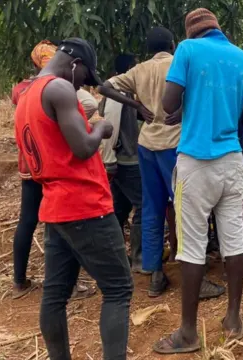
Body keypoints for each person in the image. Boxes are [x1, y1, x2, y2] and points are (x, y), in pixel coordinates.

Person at [14, 38, 132, 360]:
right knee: (119, 289)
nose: (85, 86)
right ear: (75, 63)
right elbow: (82, 147)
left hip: (54, 205)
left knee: (54, 296)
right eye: (85, 78)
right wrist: (102, 128)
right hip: (84, 204)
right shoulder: (59, 89)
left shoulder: (26, 96)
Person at [152, 8, 243, 354]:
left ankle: (187, 332)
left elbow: (169, 101)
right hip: (232, 159)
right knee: (234, 239)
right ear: (217, 28)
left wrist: (189, 104)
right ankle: (233, 318)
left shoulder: (186, 50)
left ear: (192, 31)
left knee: (192, 244)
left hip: (196, 162)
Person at [11, 40, 97, 301]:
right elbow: (89, 109)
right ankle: (66, 283)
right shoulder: (57, 89)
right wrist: (98, 129)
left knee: (30, 220)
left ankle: (19, 280)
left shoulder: (22, 91)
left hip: (31, 165)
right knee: (63, 224)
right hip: (55, 165)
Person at [98, 27, 179, 298]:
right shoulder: (180, 63)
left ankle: (155, 273)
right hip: (174, 144)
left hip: (147, 145)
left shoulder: (138, 70)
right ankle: (190, 268)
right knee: (183, 206)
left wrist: (136, 106)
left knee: (152, 208)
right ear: (172, 44)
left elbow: (104, 87)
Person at [98, 54, 145, 273]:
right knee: (143, 206)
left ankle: (114, 256)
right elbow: (110, 128)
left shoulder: (123, 92)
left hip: (122, 160)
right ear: (128, 69)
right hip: (126, 160)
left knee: (119, 208)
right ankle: (139, 257)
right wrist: (109, 161)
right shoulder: (119, 93)